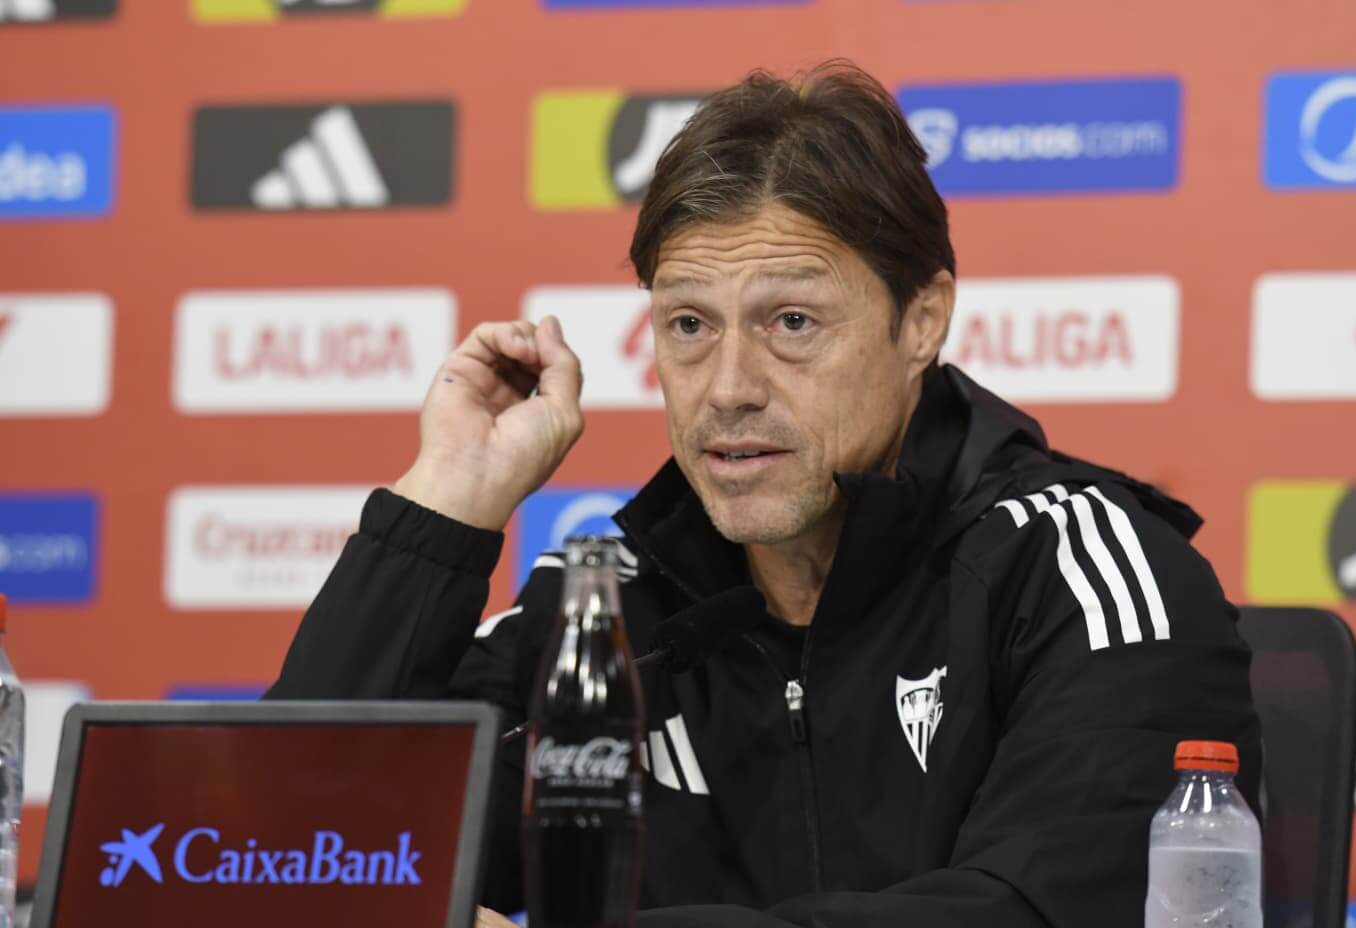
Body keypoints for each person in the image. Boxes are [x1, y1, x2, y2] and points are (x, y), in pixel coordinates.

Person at [267, 61, 1261, 927]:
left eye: (791, 320)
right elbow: (286, 852)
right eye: (688, 325)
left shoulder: (1088, 574)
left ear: (923, 320)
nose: (729, 385)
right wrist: (448, 503)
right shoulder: (611, 609)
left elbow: (1041, 912)